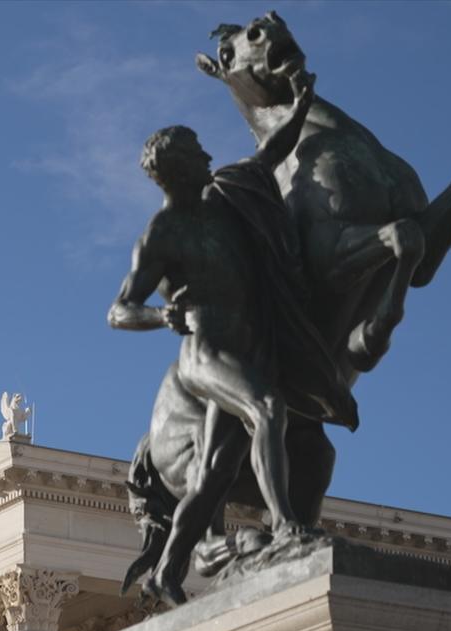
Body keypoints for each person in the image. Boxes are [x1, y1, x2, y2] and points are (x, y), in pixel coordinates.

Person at [108, 71, 356, 603]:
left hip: (253, 343)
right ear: (177, 168)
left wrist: (302, 103)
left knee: (216, 473)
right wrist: (160, 317)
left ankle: (168, 571)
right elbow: (119, 310)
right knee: (267, 408)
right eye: (198, 152)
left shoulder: (227, 199)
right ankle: (288, 525)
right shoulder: (163, 232)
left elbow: (271, 151)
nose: (207, 155)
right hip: (207, 351)